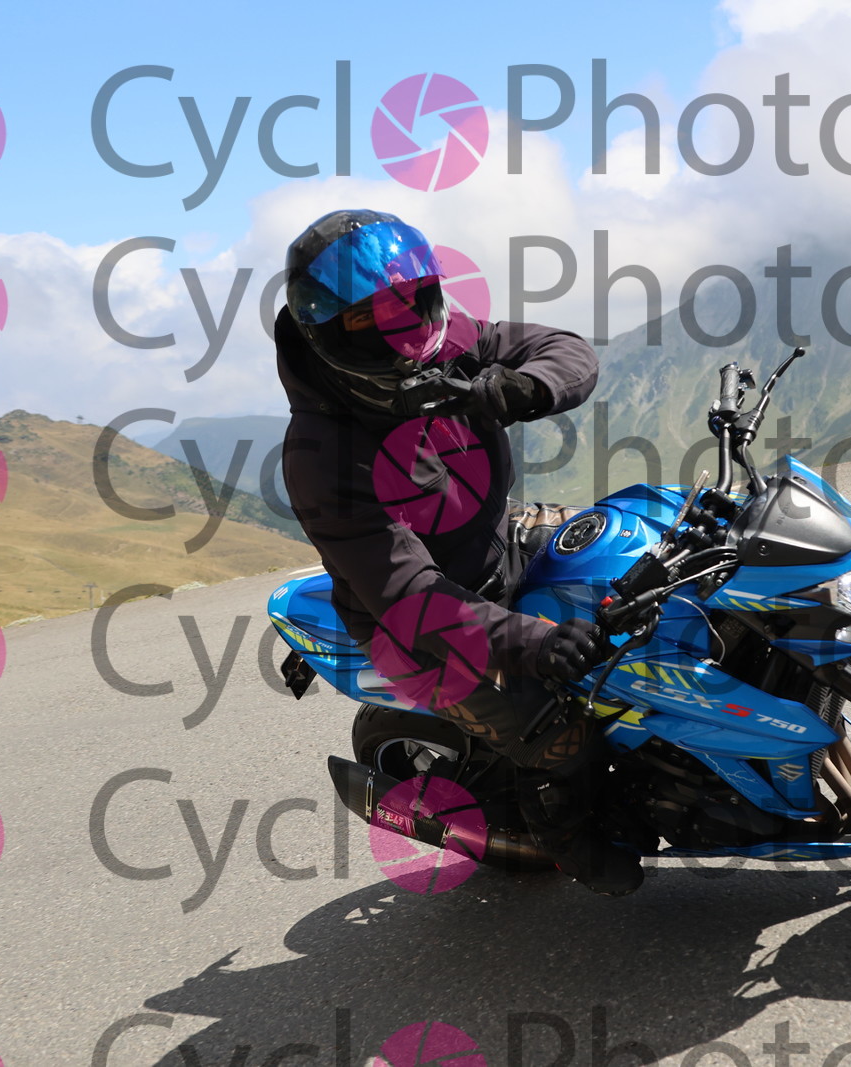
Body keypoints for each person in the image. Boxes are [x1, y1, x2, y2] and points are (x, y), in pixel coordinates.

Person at [274, 208, 644, 896]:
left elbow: (563, 348)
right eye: (367, 318)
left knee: (642, 556)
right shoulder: (322, 455)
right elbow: (412, 597)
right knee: (563, 731)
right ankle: (565, 832)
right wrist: (536, 641)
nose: (399, 329)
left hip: (498, 539)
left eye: (408, 302)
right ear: (328, 331)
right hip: (417, 631)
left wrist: (520, 387)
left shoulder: (442, 341)